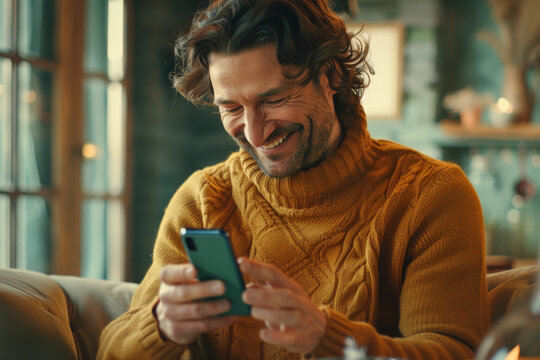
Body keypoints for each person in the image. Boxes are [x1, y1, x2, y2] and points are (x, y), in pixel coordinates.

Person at [98, 0, 490, 359]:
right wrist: (161, 327)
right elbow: (110, 352)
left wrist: (329, 338)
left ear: (330, 75)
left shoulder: (430, 194)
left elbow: (453, 352)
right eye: (231, 107)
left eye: (273, 99)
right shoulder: (203, 199)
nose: (254, 133)